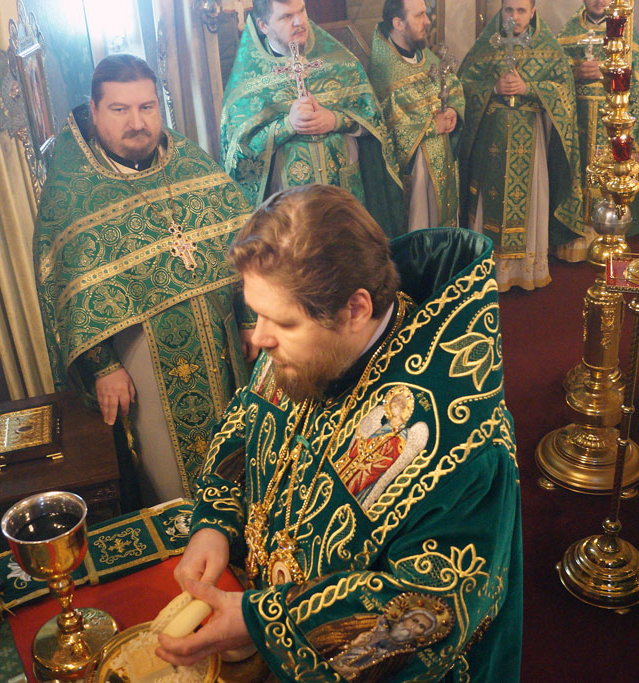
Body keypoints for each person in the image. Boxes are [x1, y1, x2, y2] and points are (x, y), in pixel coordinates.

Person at [156, 184, 523, 681]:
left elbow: (427, 613)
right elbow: (246, 424)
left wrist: (265, 622)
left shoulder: (460, 439)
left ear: (356, 310)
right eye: (256, 313)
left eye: (280, 322)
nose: (260, 338)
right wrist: (215, 523)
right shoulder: (303, 345)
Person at [34, 54, 257, 504]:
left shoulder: (190, 163)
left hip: (227, 350)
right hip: (143, 363)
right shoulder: (72, 192)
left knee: (245, 470)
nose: (137, 123)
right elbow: (69, 292)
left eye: (147, 107)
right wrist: (102, 366)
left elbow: (244, 243)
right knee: (174, 489)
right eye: (120, 109)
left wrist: (250, 318)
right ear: (95, 111)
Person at [221, 0, 405, 235]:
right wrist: (288, 125)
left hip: (347, 202)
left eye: (302, 11)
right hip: (291, 215)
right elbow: (237, 154)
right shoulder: (248, 83)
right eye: (286, 17)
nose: (299, 22)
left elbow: (374, 118)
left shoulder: (340, 62)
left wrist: (336, 120)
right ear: (263, 25)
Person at [458, 0, 583, 291]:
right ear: (501, 11)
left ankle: (525, 271)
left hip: (530, 140)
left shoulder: (547, 48)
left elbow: (564, 91)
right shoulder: (487, 45)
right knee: (488, 199)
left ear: (533, 12)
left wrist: (529, 88)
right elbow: (463, 84)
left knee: (529, 202)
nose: (514, 17)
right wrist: (492, 88)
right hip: (491, 140)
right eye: (508, 10)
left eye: (521, 11)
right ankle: (488, 267)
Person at [556, 0, 639, 260]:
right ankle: (576, 233)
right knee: (578, 172)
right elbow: (554, 74)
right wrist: (575, 73)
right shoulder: (568, 33)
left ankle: (612, 233)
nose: (599, 0)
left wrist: (608, 74)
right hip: (577, 120)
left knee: (609, 174)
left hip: (611, 121)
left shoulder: (625, 31)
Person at [368, 0, 465, 230]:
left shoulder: (426, 56)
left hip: (444, 163)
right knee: (421, 232)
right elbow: (388, 131)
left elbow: (452, 85)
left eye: (426, 14)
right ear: (398, 23)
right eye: (419, 15)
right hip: (416, 177)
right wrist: (432, 126)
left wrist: (453, 110)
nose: (428, 21)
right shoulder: (384, 71)